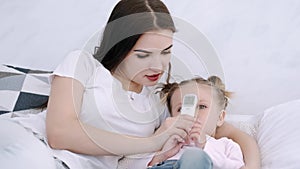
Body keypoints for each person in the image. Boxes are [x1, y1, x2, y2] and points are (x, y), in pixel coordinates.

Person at [0, 0, 260, 169]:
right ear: (120, 46)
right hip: (33, 144)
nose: (158, 66)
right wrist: (152, 142)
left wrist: (252, 166)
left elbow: (229, 130)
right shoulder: (83, 65)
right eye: (143, 55)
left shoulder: (157, 102)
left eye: (166, 51)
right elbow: (60, 133)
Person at [146, 76, 245, 169]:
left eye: (202, 107)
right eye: (181, 109)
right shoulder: (165, 143)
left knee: (194, 156)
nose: (192, 113)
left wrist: (204, 146)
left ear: (220, 118)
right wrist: (162, 155)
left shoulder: (226, 145)